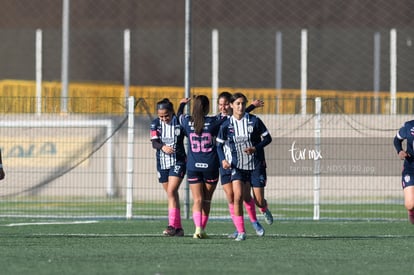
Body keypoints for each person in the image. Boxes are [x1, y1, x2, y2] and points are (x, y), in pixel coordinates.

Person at [217, 92, 272, 241]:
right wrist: (223, 160)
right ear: (232, 106)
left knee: (258, 200)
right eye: (237, 104)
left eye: (243, 103)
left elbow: (268, 138)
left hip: (255, 165)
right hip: (237, 166)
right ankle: (241, 231)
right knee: (238, 197)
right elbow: (218, 146)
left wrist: (256, 148)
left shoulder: (254, 121)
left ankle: (264, 208)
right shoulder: (226, 125)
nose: (240, 106)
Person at [179, 95, 224, 239]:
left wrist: (181, 104)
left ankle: (197, 228)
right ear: (207, 107)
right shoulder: (213, 122)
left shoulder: (187, 121)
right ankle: (202, 228)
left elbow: (178, 116)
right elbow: (234, 117)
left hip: (193, 166)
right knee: (206, 200)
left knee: (197, 199)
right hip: (210, 165)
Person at [150, 98, 186, 236]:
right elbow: (154, 143)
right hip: (162, 163)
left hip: (178, 161)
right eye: (161, 116)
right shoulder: (155, 124)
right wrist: (163, 147)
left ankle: (171, 226)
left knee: (171, 191)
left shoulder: (178, 122)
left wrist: (182, 104)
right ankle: (179, 228)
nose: (164, 118)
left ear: (172, 113)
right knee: (171, 195)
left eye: (167, 115)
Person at [394, 119, 414, 224]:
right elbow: (397, 140)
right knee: (410, 204)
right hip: (411, 168)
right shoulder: (409, 126)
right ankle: (411, 211)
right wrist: (400, 151)